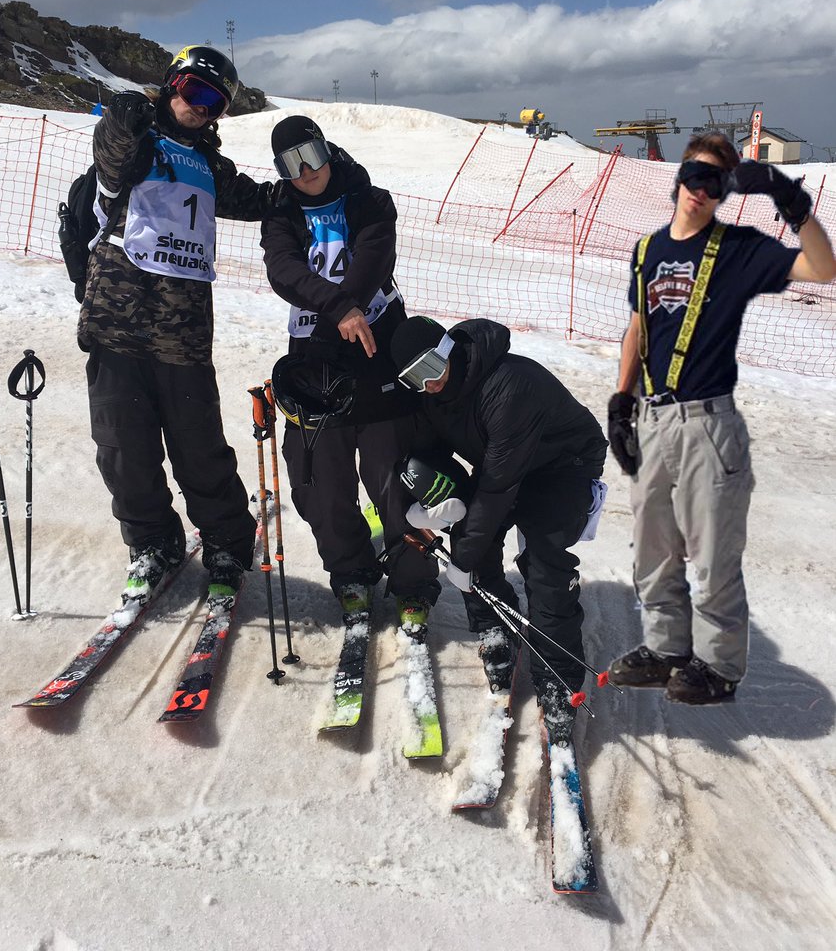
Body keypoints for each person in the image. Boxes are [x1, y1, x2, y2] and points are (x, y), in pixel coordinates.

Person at [607, 132, 836, 704]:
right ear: (677, 178)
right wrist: (620, 401)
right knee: (652, 546)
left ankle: (719, 665)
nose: (698, 191)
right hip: (654, 421)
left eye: (714, 182)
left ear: (725, 192)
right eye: (692, 176)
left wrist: (790, 200)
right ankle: (666, 649)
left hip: (709, 424)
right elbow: (639, 327)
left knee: (712, 553)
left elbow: (824, 268)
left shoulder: (739, 250)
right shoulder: (646, 250)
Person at [78, 45, 272, 610]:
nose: (202, 106)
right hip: (117, 323)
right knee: (123, 449)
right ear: (170, 86)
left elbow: (257, 199)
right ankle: (153, 544)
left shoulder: (210, 164)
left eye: (216, 102)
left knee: (200, 448)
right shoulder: (138, 140)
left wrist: (317, 186)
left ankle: (229, 544)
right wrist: (121, 118)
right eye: (194, 90)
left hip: (183, 332)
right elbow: (112, 160)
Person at [261, 115, 439, 632]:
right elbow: (283, 270)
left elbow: (372, 261)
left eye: (311, 157)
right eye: (290, 165)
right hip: (315, 359)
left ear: (327, 150)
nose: (305, 172)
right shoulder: (282, 210)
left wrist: (349, 307)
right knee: (318, 482)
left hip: (377, 352)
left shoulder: (369, 198)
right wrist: (336, 308)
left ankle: (412, 583)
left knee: (395, 477)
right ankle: (352, 573)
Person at [389, 315, 608, 730]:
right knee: (467, 526)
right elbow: (428, 453)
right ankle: (495, 623)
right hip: (501, 467)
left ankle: (559, 676)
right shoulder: (433, 397)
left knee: (542, 561)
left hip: (563, 464)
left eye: (431, 370)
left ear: (447, 350)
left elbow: (496, 490)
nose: (428, 385)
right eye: (415, 379)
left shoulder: (510, 386)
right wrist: (420, 505)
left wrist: (464, 559)